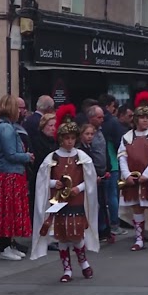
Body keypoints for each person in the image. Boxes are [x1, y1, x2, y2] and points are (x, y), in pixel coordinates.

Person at [31, 105, 98, 282]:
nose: (69, 142)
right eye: (66, 138)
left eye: (72, 138)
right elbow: (43, 181)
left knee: (76, 235)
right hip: (59, 203)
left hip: (77, 201)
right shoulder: (51, 158)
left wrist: (79, 188)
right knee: (62, 236)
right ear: (60, 139)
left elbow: (89, 180)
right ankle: (66, 269)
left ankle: (83, 263)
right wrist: (55, 183)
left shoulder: (82, 157)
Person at [0, 94, 33, 261]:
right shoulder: (6, 128)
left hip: (10, 174)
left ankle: (8, 245)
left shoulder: (6, 126)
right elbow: (10, 154)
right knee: (6, 211)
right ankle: (4, 247)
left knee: (9, 212)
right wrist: (27, 156)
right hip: (8, 175)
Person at [119, 92, 148, 252]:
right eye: (142, 118)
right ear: (136, 120)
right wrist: (127, 174)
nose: (145, 120)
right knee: (137, 207)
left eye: (147, 118)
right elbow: (122, 156)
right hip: (132, 179)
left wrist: (146, 175)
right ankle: (139, 238)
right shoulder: (126, 137)